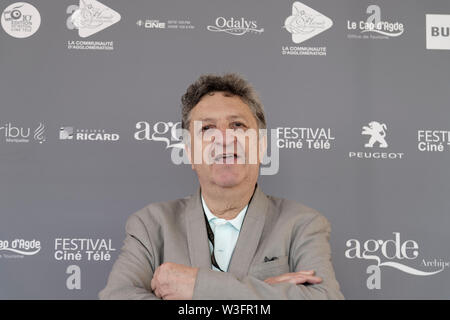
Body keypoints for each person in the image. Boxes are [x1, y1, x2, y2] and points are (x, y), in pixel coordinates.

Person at [99, 73, 344, 300]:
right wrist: (264, 290)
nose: (225, 139)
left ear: (261, 146)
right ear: (190, 152)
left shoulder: (302, 224)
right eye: (206, 128)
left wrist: (199, 287)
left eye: (237, 125)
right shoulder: (151, 226)